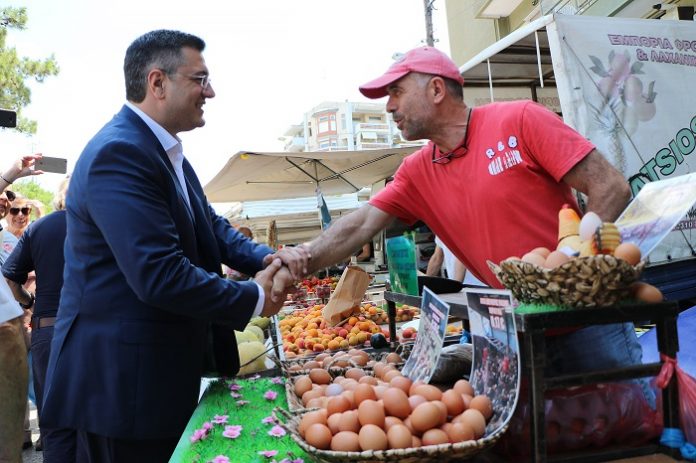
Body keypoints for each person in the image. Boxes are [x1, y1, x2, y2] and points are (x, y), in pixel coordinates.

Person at [296, 47, 650, 402]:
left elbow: (611, 187)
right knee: (549, 440)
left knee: (630, 429)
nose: (389, 106)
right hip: (517, 330)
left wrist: (566, 272)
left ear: (436, 90)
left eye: (397, 92)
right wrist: (298, 259)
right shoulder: (416, 172)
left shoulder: (520, 120)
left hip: (588, 323)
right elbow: (359, 226)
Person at [40, 30, 304, 463]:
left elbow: (211, 228)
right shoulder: (119, 153)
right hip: (125, 389)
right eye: (200, 79)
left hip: (155, 379)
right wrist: (255, 296)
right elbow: (159, 275)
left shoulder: (163, 150)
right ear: (157, 82)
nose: (211, 92)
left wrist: (268, 258)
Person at [3, 176, 73, 461]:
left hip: (49, 329)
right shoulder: (107, 223)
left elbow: (10, 277)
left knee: (53, 423)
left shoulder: (41, 228)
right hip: (95, 330)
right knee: (96, 420)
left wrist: (29, 301)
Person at [0, 154, 42, 463]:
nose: (15, 212)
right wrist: (10, 175)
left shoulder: (15, 238)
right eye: (13, 208)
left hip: (9, 325)